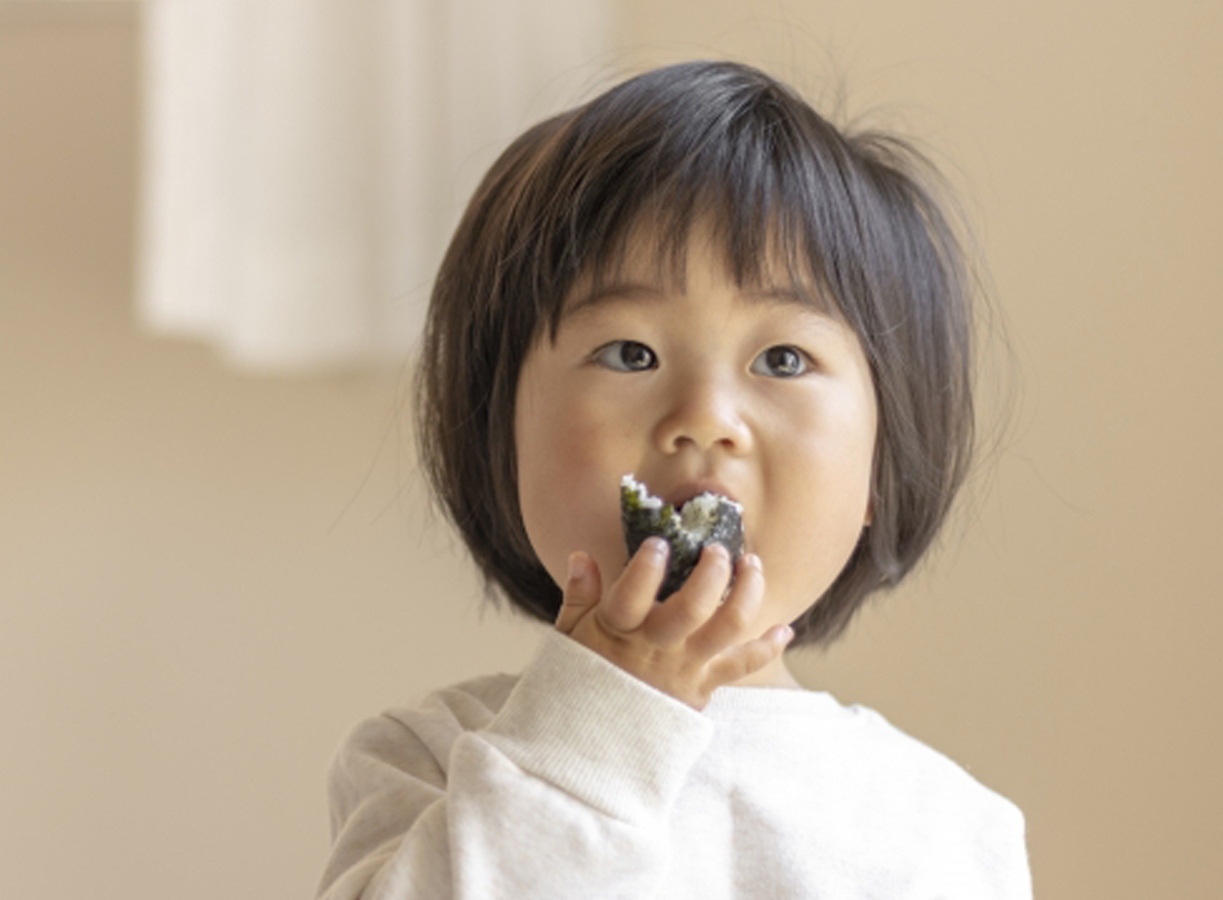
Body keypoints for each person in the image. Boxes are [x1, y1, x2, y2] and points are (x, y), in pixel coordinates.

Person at [316, 60, 1031, 899]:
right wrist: (596, 727)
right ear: (501, 434)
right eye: (631, 354)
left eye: (784, 358)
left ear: (882, 461)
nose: (704, 416)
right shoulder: (427, 760)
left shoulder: (946, 829)